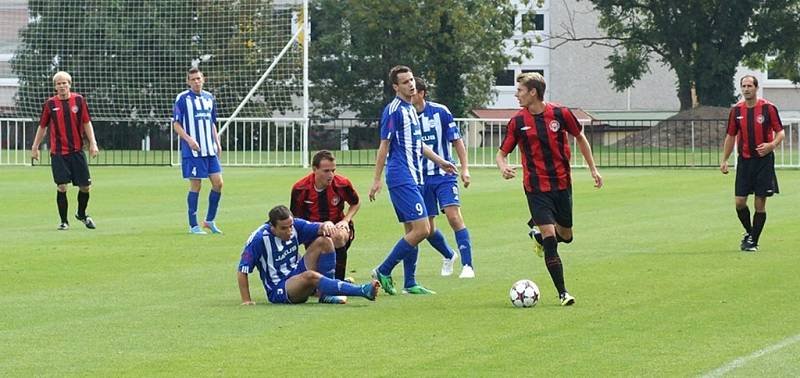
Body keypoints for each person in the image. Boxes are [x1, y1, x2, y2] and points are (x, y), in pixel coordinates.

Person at [495, 72, 602, 306]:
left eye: (520, 90)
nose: (516, 95)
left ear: (533, 92)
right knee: (552, 238)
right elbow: (502, 153)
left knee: (567, 236)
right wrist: (503, 167)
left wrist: (593, 169)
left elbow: (580, 138)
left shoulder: (561, 113)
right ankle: (563, 293)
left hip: (562, 185)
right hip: (535, 188)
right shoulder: (517, 122)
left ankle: (539, 237)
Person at [369, 65, 457, 296]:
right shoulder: (394, 110)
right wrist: (376, 179)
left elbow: (417, 144)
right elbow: (384, 145)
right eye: (405, 81)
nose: (411, 84)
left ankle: (410, 283)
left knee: (411, 230)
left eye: (412, 80)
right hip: (401, 176)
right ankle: (383, 270)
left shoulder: (411, 109)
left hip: (416, 175)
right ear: (395, 86)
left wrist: (440, 161)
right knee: (423, 228)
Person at [237, 205, 379, 305]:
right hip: (280, 288)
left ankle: (327, 294)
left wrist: (327, 224)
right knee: (310, 275)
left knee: (325, 241)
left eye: (291, 226)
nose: (289, 231)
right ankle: (362, 291)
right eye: (284, 228)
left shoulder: (295, 226)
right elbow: (242, 270)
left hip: (296, 271)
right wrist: (246, 300)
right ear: (272, 227)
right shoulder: (258, 239)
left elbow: (319, 227)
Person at [410, 77, 474, 279]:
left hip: (444, 174)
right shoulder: (406, 116)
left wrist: (465, 169)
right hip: (420, 178)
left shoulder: (441, 112)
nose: (409, 96)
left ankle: (468, 266)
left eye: (413, 92)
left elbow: (457, 141)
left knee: (454, 217)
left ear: (422, 93)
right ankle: (448, 255)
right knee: (426, 228)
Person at [720, 75, 784, 252]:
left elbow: (780, 133)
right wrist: (724, 159)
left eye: (749, 86)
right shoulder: (737, 111)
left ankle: (753, 241)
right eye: (743, 86)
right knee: (740, 202)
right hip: (745, 162)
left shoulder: (768, 108)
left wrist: (771, 145)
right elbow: (730, 136)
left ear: (756, 88)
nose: (746, 89)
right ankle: (750, 233)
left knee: (759, 204)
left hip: (764, 162)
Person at [31, 71, 99, 230]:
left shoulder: (79, 100)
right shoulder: (50, 104)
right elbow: (42, 127)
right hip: (58, 153)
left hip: (76, 151)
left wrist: (93, 143)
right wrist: (35, 147)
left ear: (70, 84)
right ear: (55, 86)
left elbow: (87, 123)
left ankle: (81, 214)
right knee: (62, 186)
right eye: (59, 83)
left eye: (64, 83)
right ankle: (64, 221)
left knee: (85, 187)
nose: (62, 86)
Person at [291, 150, 361, 280]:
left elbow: (356, 203)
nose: (331, 175)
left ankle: (338, 284)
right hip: (314, 230)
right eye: (326, 171)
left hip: (338, 226)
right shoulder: (300, 189)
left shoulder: (342, 184)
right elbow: (295, 219)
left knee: (338, 236)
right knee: (311, 282)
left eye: (333, 170)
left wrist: (346, 220)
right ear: (314, 169)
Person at [173, 67, 224, 235]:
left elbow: (212, 123)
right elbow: (176, 124)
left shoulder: (209, 98)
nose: (196, 81)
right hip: (193, 151)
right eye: (193, 79)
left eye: (198, 78)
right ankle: (193, 225)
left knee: (218, 183)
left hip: (209, 149)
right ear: (188, 82)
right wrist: (189, 140)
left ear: (203, 79)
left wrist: (217, 143)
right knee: (196, 184)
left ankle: (209, 221)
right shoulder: (182, 98)